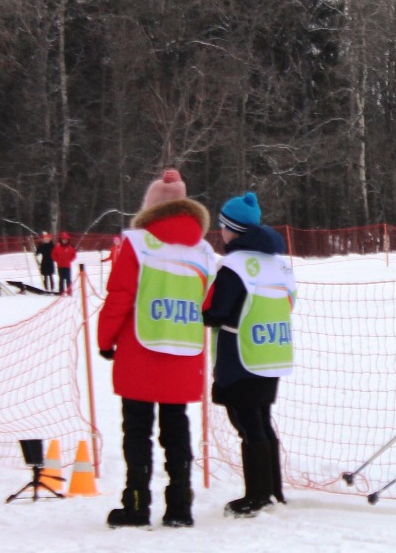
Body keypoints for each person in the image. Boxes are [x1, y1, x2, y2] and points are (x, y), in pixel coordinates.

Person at [97, 169, 216, 528]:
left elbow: (120, 297)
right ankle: (180, 505)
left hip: (140, 350)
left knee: (137, 430)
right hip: (184, 350)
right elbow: (207, 302)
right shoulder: (205, 251)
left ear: (150, 209)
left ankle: (136, 504)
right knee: (176, 428)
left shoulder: (136, 244)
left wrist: (106, 340)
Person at [202, 191, 295, 517]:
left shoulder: (233, 265)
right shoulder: (279, 263)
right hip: (272, 353)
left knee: (247, 422)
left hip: (239, 355)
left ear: (231, 228)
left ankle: (256, 496)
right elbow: (290, 303)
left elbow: (215, 312)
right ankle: (273, 490)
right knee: (262, 420)